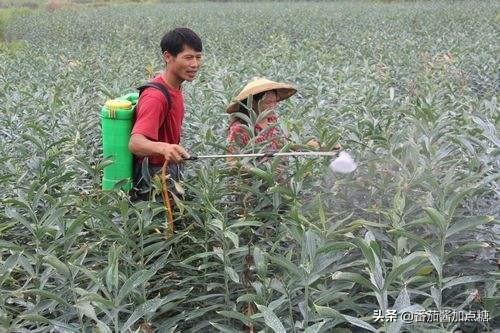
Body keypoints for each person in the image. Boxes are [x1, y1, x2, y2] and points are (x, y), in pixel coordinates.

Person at [128, 27, 202, 200]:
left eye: (198, 57)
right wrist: (164, 148)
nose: (195, 64)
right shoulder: (156, 97)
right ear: (168, 57)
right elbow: (135, 144)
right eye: (188, 57)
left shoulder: (174, 87)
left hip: (169, 170)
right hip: (154, 178)